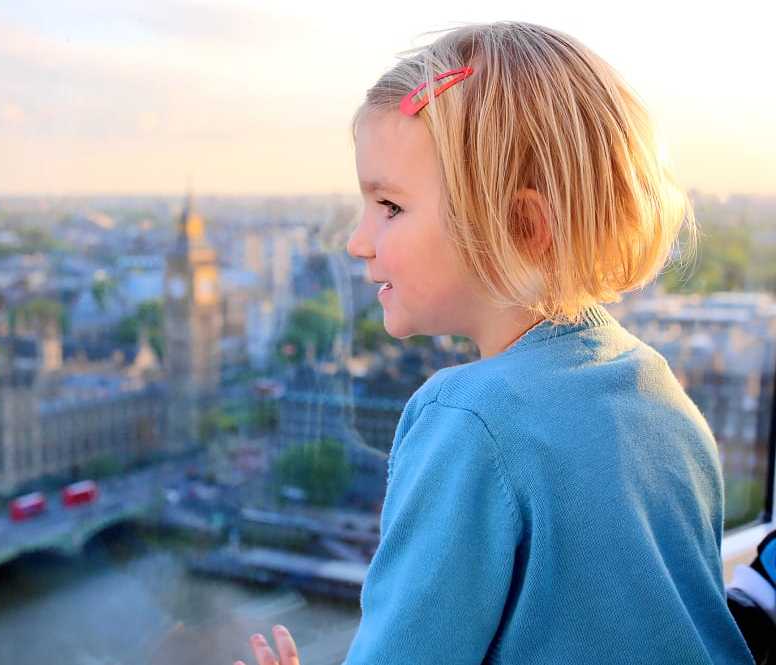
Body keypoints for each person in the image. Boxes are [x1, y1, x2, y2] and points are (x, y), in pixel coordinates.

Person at [234, 20, 755, 665]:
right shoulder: (659, 391)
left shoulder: (467, 419)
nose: (358, 240)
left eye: (390, 207)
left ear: (523, 225)